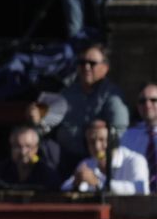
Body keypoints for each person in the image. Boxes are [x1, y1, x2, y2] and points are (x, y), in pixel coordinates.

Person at [48, 40, 128, 168]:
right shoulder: (67, 92)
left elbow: (120, 129)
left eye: (92, 63)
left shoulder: (112, 94)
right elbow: (48, 122)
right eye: (82, 63)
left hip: (97, 157)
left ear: (105, 68)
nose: (86, 67)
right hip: (65, 156)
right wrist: (37, 116)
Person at [0, 124, 62, 190]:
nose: (23, 152)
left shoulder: (47, 175)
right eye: (17, 147)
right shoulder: (0, 170)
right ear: (11, 147)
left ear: (36, 149)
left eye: (28, 146)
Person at [62, 119, 149, 194]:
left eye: (102, 140)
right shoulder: (86, 163)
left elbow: (140, 189)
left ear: (113, 141)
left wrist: (98, 183)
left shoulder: (136, 160)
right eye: (92, 142)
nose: (97, 147)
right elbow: (64, 188)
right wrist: (75, 183)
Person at [119, 83, 157, 186]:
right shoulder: (128, 136)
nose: (147, 105)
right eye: (142, 101)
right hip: (137, 198)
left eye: (153, 100)